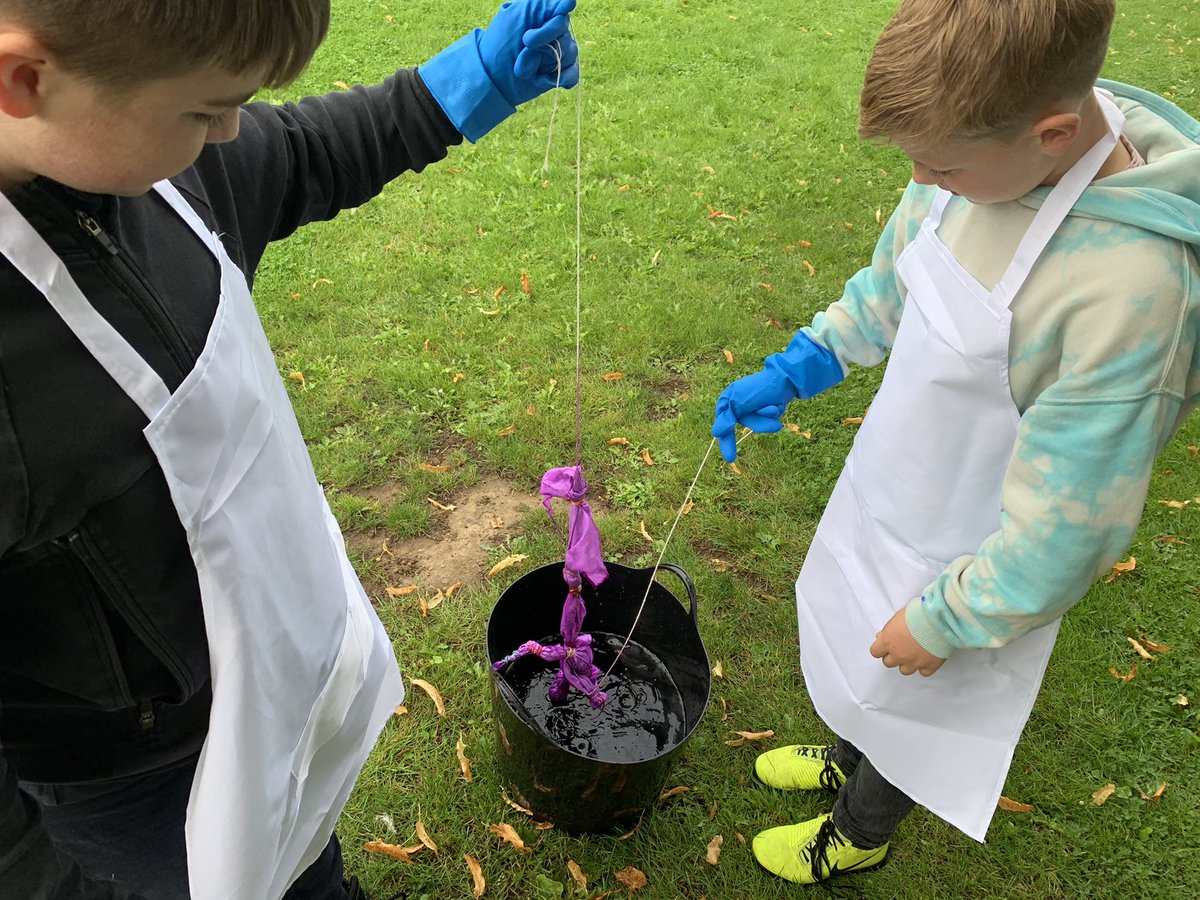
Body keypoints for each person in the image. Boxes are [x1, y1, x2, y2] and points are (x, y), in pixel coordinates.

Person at [0, 1, 578, 897]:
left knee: (306, 863)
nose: (230, 130)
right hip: (136, 781)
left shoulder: (131, 161)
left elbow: (296, 153)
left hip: (273, 666)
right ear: (24, 81)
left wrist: (470, 80)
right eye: (205, 110)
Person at [711, 0, 1200, 885]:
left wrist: (948, 619)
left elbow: (1072, 527)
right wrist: (804, 361)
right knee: (866, 662)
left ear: (1052, 135)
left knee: (918, 703)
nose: (922, 179)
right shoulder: (970, 160)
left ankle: (860, 829)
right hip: (894, 492)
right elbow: (897, 279)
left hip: (983, 564)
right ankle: (848, 755)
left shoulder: (1133, 295)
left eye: (939, 165)